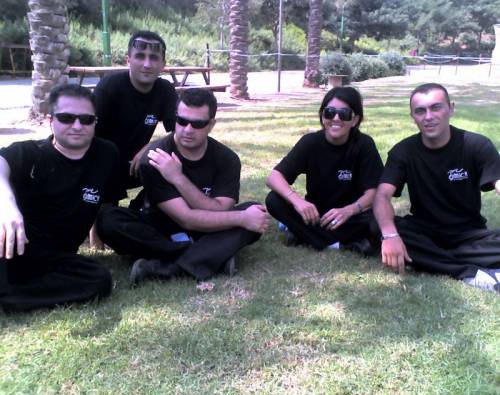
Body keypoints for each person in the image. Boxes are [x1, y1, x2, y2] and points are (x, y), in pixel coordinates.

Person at [96, 88, 269, 284]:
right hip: (159, 227)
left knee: (256, 211)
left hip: (210, 226)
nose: (187, 129)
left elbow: (222, 209)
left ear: (211, 125)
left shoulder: (227, 159)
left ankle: (170, 268)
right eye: (181, 121)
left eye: (198, 124)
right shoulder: (154, 158)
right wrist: (242, 219)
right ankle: (205, 255)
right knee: (109, 220)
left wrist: (177, 178)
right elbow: (185, 219)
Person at [0, 84, 118, 312]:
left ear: (95, 122)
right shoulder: (31, 153)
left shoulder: (106, 154)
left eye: (86, 119)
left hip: (57, 257)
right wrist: (6, 205)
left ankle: (11, 299)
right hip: (14, 244)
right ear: (50, 120)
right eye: (66, 118)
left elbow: (105, 200)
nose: (77, 126)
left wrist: (96, 238)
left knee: (99, 279)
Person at [373, 83, 500, 293]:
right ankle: (471, 274)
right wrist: (390, 236)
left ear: (451, 108)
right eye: (420, 111)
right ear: (413, 116)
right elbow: (382, 196)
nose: (428, 116)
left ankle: (432, 258)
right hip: (424, 232)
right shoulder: (403, 151)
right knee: (376, 225)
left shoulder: (476, 145)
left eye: (436, 107)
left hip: (469, 235)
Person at [265, 86, 383, 253]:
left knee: (378, 220)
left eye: (344, 114)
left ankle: (303, 234)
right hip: (315, 215)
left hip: (350, 217)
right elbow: (274, 177)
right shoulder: (310, 142)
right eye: (329, 112)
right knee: (273, 200)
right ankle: (338, 243)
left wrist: (349, 210)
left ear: (355, 120)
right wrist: (298, 201)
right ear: (322, 115)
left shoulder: (364, 144)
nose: (336, 118)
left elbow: (374, 191)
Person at [93, 30, 178, 205]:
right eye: (140, 56)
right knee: (105, 215)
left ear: (163, 64)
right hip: (101, 163)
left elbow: (181, 132)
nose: (147, 64)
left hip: (138, 165)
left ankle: (149, 210)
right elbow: (88, 136)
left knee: (180, 160)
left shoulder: (165, 90)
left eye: (154, 58)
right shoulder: (109, 88)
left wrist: (151, 147)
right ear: (128, 60)